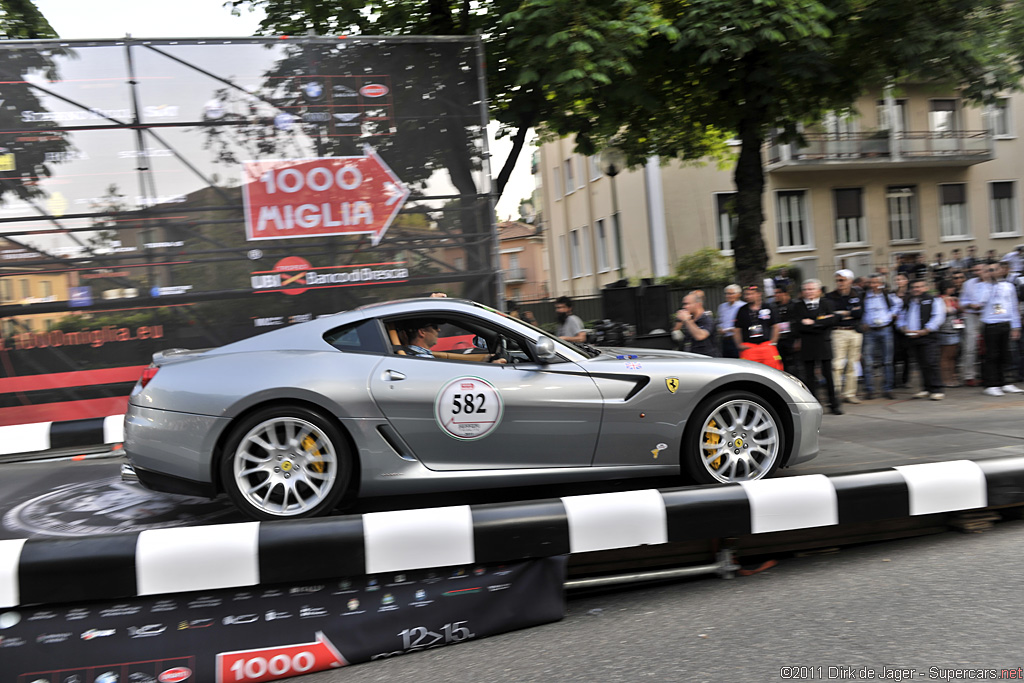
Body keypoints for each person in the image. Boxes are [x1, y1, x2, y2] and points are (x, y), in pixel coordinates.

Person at [790, 278, 841, 415]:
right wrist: (820, 322)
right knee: (809, 376)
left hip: (823, 343)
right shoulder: (797, 306)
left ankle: (834, 404)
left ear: (819, 291)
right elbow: (798, 325)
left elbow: (832, 320)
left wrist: (813, 323)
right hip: (807, 344)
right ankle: (813, 405)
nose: (808, 292)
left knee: (828, 375)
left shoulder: (826, 303)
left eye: (811, 289)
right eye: (806, 289)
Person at [896, 279, 946, 400]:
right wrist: (903, 328)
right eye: (914, 287)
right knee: (920, 364)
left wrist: (926, 330)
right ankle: (926, 388)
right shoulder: (908, 301)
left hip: (928, 336)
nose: (916, 289)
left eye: (919, 287)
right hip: (912, 337)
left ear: (926, 287)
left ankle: (936, 389)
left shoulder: (934, 300)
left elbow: (938, 317)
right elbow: (901, 316)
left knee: (931, 362)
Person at [979, 261, 1023, 396]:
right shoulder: (982, 286)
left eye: (995, 269)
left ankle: (1006, 382)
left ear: (1001, 270)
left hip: (1005, 322)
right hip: (990, 323)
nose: (993, 272)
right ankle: (991, 384)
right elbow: (980, 301)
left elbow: (1013, 306)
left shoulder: (1008, 286)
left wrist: (1016, 326)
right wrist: (988, 283)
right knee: (992, 354)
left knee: (1006, 354)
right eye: (990, 270)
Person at [860, 273, 902, 400]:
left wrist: (890, 315)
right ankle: (870, 389)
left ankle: (888, 388)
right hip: (870, 331)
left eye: (876, 282)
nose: (874, 285)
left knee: (887, 361)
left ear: (881, 283)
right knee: (868, 361)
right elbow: (860, 310)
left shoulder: (887, 295)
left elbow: (898, 304)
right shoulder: (864, 296)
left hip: (885, 329)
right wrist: (863, 322)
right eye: (872, 282)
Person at [826, 269, 864, 403]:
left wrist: (844, 313)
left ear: (850, 281)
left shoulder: (857, 294)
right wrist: (849, 313)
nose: (839, 283)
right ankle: (835, 393)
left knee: (852, 364)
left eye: (842, 280)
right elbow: (833, 315)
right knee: (837, 364)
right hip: (838, 332)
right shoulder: (830, 296)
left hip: (854, 332)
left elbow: (859, 313)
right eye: (837, 280)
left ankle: (850, 393)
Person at [733, 284, 782, 369]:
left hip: (766, 346)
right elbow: (737, 329)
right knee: (749, 371)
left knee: (774, 369)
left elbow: (775, 326)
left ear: (758, 294)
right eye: (746, 294)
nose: (747, 297)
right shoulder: (742, 310)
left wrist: (774, 342)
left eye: (750, 294)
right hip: (749, 347)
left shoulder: (768, 307)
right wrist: (739, 345)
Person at [958, 261, 988, 386]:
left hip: (988, 317)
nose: (976, 272)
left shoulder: (995, 284)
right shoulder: (968, 284)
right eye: (975, 270)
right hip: (971, 316)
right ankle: (969, 376)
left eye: (979, 270)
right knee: (970, 347)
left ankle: (986, 375)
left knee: (988, 347)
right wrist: (970, 305)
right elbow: (961, 302)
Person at [672, 290, 718, 356]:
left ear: (698, 304)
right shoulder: (690, 320)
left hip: (707, 359)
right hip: (692, 357)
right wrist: (679, 320)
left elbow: (700, 336)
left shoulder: (707, 319)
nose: (684, 307)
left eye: (687, 304)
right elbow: (675, 331)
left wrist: (686, 320)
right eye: (683, 304)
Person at [937, 279, 963, 388]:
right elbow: (945, 311)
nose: (953, 289)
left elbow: (960, 309)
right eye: (950, 287)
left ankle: (953, 376)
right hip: (945, 330)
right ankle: (945, 379)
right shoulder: (940, 300)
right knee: (945, 356)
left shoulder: (954, 298)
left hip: (955, 329)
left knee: (953, 356)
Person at [773, 286, 799, 376]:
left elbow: (798, 323)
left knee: (796, 365)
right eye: (775, 293)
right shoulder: (774, 307)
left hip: (792, 340)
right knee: (782, 364)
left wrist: (798, 340)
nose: (776, 295)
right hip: (780, 341)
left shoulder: (795, 305)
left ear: (785, 293)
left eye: (778, 293)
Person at [892, 272, 911, 388]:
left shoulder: (910, 295)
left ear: (906, 281)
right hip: (894, 327)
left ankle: (905, 379)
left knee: (907, 355)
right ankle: (893, 379)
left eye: (901, 279)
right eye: (897, 279)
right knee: (893, 354)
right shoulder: (891, 295)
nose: (899, 282)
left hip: (908, 327)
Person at [717, 284, 745, 358]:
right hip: (725, 339)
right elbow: (720, 321)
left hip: (738, 339)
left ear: (738, 294)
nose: (728, 296)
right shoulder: (722, 307)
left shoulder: (743, 306)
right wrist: (719, 328)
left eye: (731, 293)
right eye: (726, 293)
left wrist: (730, 330)